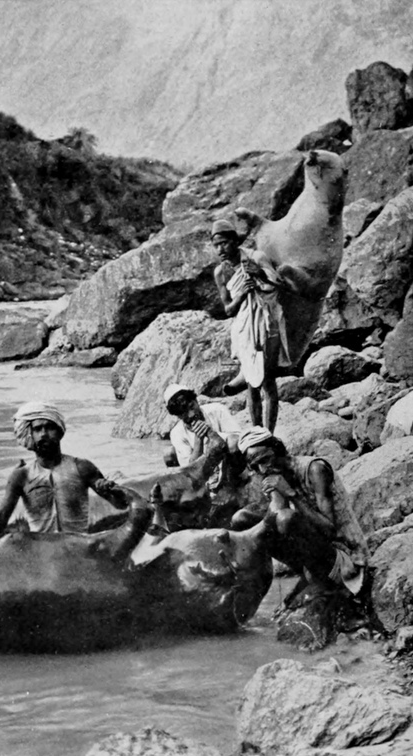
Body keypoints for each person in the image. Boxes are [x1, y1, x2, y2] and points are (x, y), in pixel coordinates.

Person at [0, 402, 128, 560]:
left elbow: (120, 504)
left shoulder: (82, 467)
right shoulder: (21, 476)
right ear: (30, 434)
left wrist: (111, 490)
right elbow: (2, 514)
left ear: (59, 432)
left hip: (78, 549)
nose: (44, 434)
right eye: (38, 429)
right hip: (41, 555)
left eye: (49, 428)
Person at [233, 426, 366, 604]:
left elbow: (329, 530)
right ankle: (306, 573)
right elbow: (275, 519)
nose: (263, 469)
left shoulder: (315, 469)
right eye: (255, 466)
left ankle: (321, 580)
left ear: (277, 449)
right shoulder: (273, 473)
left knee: (286, 519)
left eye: (265, 459)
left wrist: (290, 494)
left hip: (345, 555)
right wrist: (276, 495)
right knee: (242, 519)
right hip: (317, 552)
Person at [212, 219, 291, 434]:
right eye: (216, 245)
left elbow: (279, 283)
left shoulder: (256, 257)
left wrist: (259, 273)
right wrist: (241, 295)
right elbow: (228, 310)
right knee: (251, 383)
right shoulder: (221, 272)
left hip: (266, 322)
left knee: (267, 379)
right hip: (244, 327)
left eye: (224, 243)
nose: (220, 250)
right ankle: (257, 433)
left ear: (235, 241)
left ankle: (269, 433)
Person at [163, 383, 239, 484]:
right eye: (184, 412)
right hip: (203, 470)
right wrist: (198, 440)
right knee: (169, 453)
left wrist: (211, 433)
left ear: (196, 400)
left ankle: (232, 483)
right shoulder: (176, 433)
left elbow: (238, 439)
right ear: (178, 416)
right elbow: (188, 471)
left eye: (192, 406)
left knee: (233, 442)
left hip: (228, 464)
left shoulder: (218, 410)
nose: (191, 414)